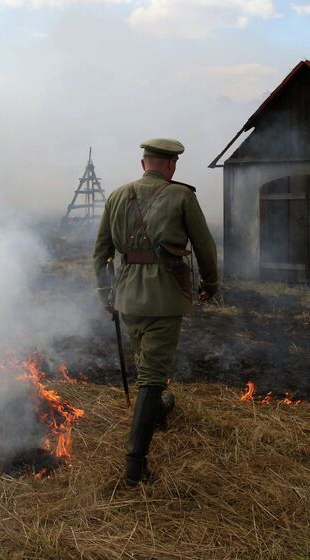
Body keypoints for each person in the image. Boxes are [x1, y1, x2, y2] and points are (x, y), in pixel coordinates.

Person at [93, 139, 218, 486]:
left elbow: (101, 251)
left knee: (147, 364)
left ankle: (159, 410)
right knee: (151, 374)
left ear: (143, 162)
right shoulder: (182, 196)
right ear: (171, 165)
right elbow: (205, 245)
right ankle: (135, 464)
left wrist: (106, 295)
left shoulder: (117, 195)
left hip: (127, 297)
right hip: (164, 298)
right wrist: (211, 283)